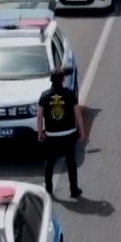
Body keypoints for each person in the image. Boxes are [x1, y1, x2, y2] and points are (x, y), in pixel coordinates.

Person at [37, 68, 85, 198]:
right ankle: (74, 190)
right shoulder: (69, 94)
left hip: (52, 135)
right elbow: (77, 113)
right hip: (69, 134)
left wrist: (40, 131)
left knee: (50, 162)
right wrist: (82, 130)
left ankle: (48, 189)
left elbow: (40, 116)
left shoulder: (45, 96)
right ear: (63, 79)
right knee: (71, 162)